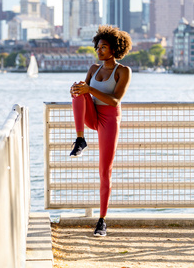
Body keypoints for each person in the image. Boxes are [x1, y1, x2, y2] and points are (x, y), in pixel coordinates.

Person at [69, 25, 132, 236]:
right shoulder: (93, 69)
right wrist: (78, 90)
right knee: (78, 89)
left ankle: (102, 220)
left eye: (104, 47)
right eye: (98, 46)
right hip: (93, 115)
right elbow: (85, 94)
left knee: (105, 171)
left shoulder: (123, 71)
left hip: (110, 119)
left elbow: (115, 101)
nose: (99, 50)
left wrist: (90, 89)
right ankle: (80, 140)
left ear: (115, 48)